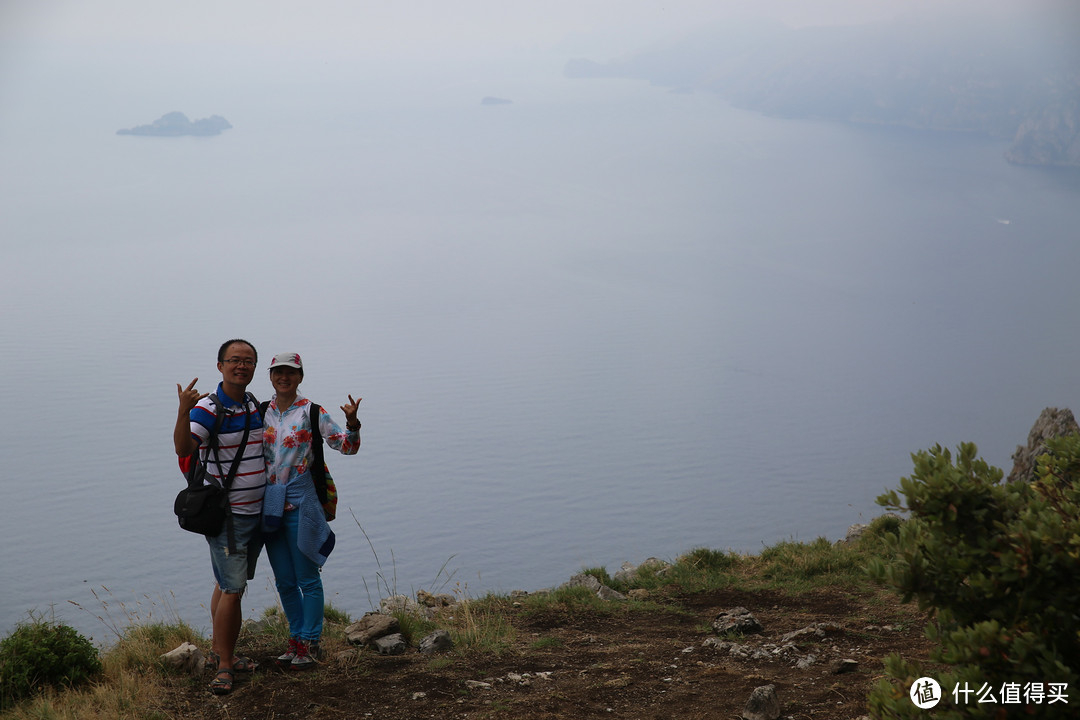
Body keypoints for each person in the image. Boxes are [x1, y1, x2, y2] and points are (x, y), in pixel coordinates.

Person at [174, 339, 267, 695]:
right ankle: (225, 665)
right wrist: (184, 410)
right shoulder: (208, 409)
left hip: (256, 513)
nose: (241, 366)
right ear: (220, 366)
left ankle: (218, 651)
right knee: (233, 589)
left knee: (227, 584)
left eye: (248, 361)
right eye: (234, 360)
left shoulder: (252, 405)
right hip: (230, 517)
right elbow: (184, 448)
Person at [261, 352, 361, 669]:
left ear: (300, 376)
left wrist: (353, 423)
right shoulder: (261, 412)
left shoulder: (312, 412)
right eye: (279, 372)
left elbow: (347, 446)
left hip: (302, 504)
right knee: (284, 581)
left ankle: (310, 642)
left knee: (307, 578)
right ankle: (295, 639)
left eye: (291, 372)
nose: (284, 377)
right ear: (271, 376)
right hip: (271, 506)